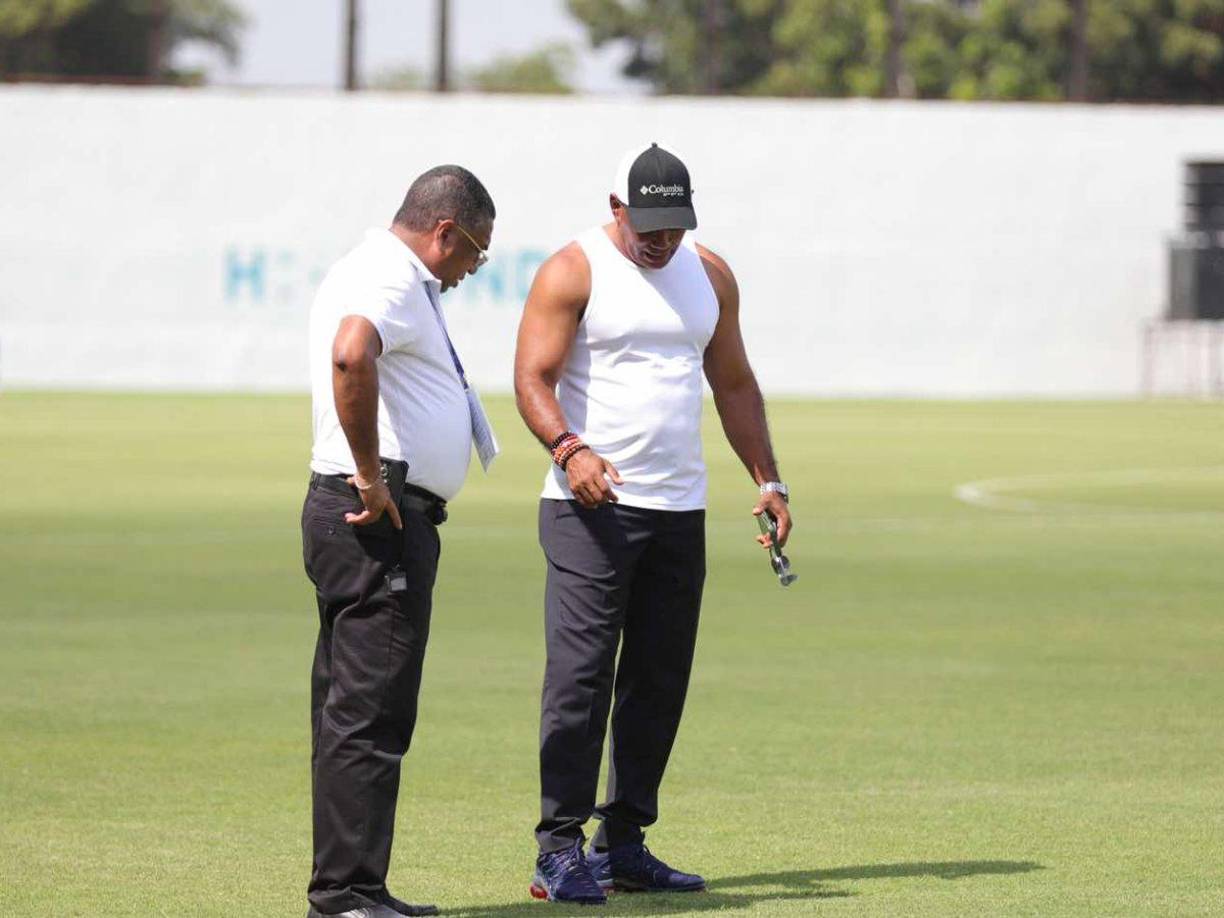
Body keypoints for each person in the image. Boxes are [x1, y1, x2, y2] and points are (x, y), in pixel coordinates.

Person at [513, 142, 793, 904]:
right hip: (587, 509)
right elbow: (532, 378)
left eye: (675, 226)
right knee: (580, 679)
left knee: (658, 679)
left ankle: (623, 842)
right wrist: (569, 450)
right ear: (617, 209)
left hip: (678, 510)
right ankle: (558, 848)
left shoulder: (710, 275)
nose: (662, 240)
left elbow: (734, 383)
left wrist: (768, 479)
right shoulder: (573, 270)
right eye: (648, 226)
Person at [301, 165, 496, 918]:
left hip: (364, 515)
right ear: (444, 231)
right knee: (370, 712)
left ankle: (353, 886)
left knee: (350, 708)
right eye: (474, 251)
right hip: (377, 517)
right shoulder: (390, 275)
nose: (473, 268)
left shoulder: (377, 269)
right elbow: (352, 353)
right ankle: (346, 895)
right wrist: (369, 473)